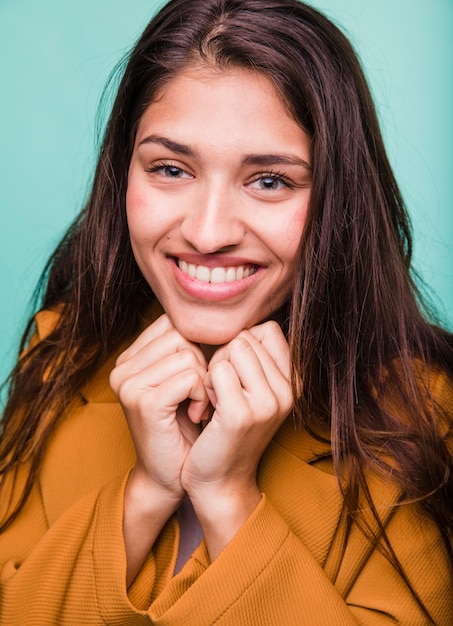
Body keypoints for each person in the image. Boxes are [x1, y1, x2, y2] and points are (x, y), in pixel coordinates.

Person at [0, 0, 452, 623]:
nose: (209, 233)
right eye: (170, 168)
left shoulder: (420, 411)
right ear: (122, 176)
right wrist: (146, 494)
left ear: (336, 199)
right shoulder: (59, 353)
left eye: (269, 180)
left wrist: (227, 498)